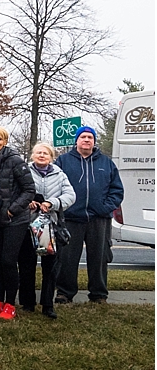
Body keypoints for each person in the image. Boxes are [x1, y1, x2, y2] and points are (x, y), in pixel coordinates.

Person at [55, 126, 123, 305]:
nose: (86, 140)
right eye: (83, 137)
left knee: (99, 257)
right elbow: (54, 186)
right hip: (71, 218)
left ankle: (98, 294)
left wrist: (104, 207)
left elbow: (117, 190)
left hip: (99, 219)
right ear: (76, 141)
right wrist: (63, 207)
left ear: (94, 141)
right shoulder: (63, 161)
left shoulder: (106, 163)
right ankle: (64, 292)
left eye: (90, 137)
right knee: (67, 258)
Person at [0, 125, 36, 320]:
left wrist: (12, 209)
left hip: (15, 220)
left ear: (5, 141)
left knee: (8, 261)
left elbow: (29, 190)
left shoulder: (15, 161)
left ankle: (10, 303)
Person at [21, 142, 76, 319]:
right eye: (38, 152)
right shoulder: (24, 171)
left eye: (45, 153)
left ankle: (47, 304)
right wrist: (26, 201)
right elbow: (17, 191)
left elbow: (70, 195)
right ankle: (27, 302)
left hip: (49, 227)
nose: (42, 155)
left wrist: (53, 203)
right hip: (28, 225)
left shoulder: (60, 175)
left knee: (50, 268)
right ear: (32, 155)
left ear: (51, 157)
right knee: (26, 265)